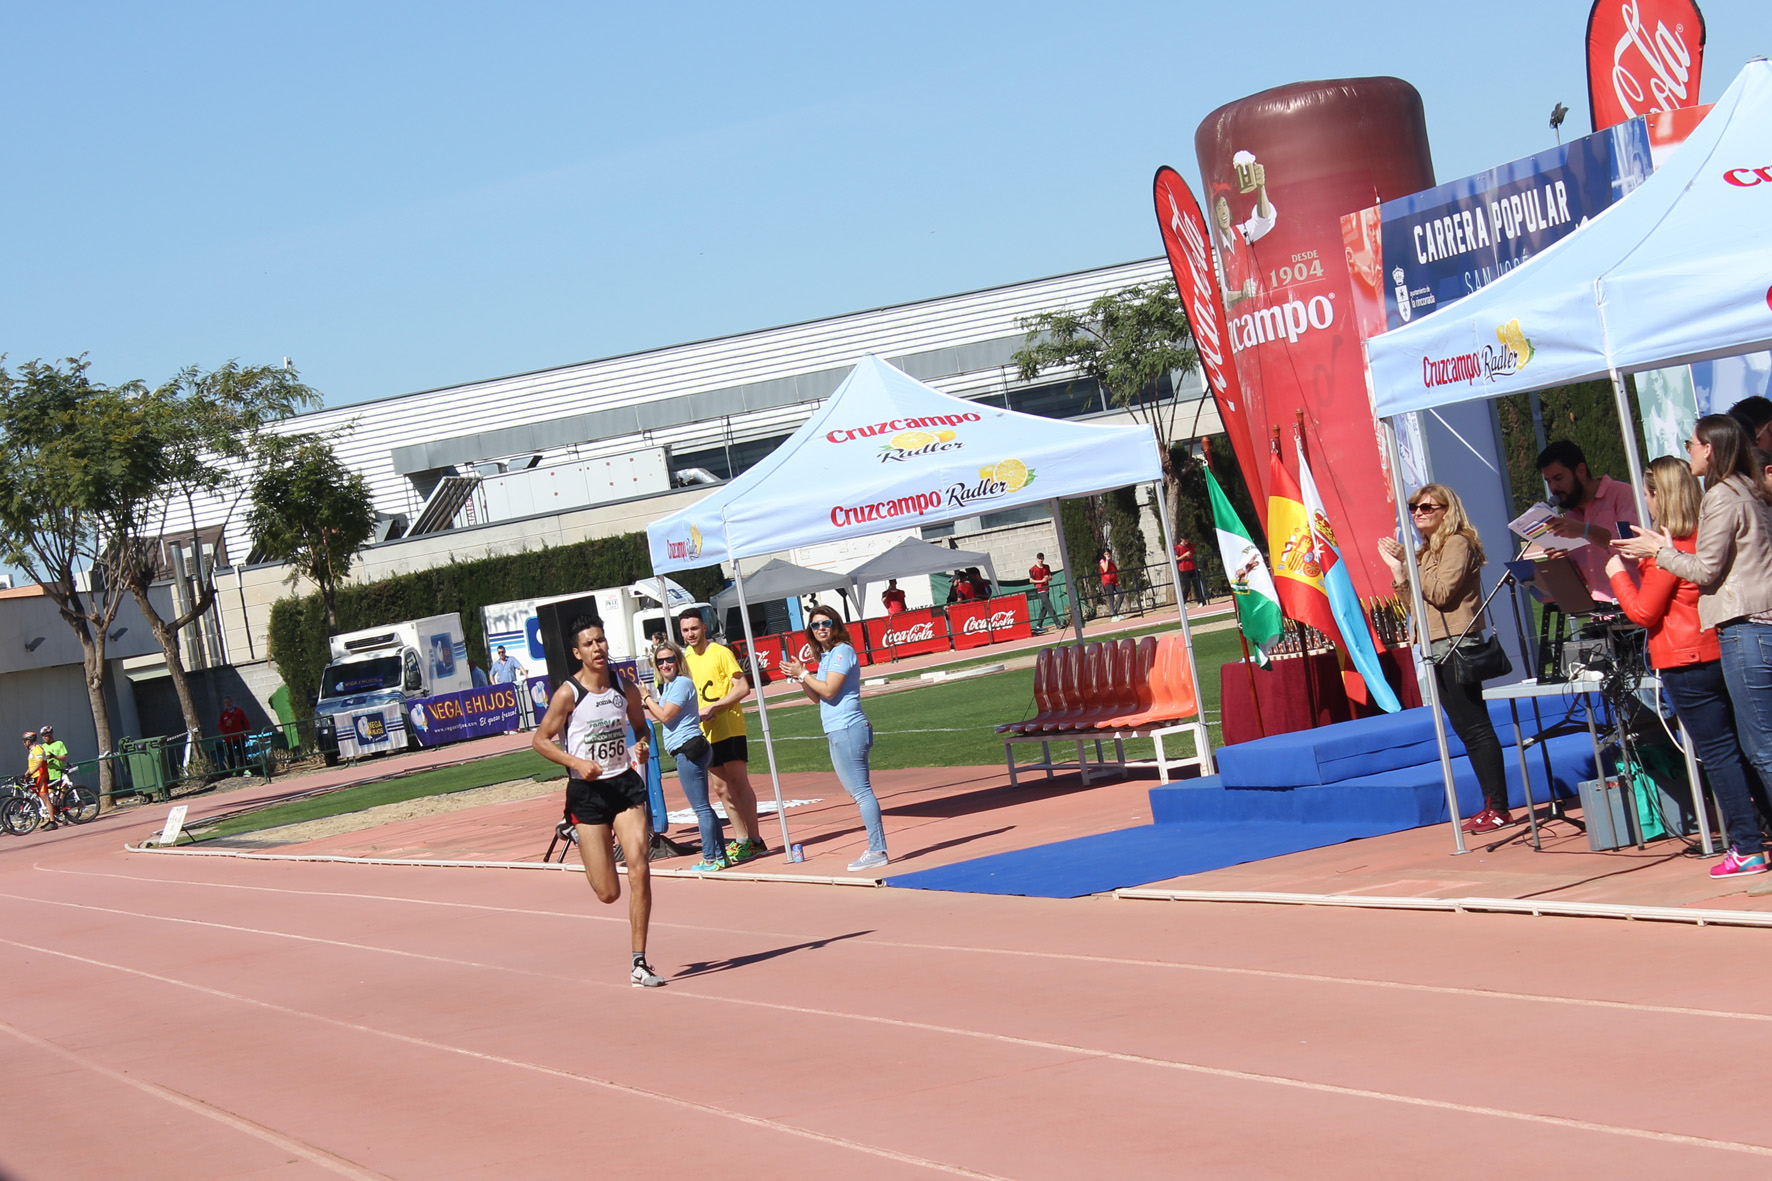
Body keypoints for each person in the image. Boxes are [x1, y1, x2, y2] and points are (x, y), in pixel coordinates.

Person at [1615, 415, 1772, 878]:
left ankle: (1746, 844)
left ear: (1711, 448)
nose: (1689, 450)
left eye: (1692, 443)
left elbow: (1692, 578)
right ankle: (1749, 841)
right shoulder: (1752, 491)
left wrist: (1640, 563)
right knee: (1750, 746)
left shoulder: (1722, 497)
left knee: (1747, 750)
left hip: (1722, 638)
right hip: (1733, 635)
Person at [532, 616, 664, 987]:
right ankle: (576, 831)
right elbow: (540, 740)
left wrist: (641, 744)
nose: (598, 648)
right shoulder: (568, 694)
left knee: (639, 869)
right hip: (586, 793)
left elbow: (641, 727)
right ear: (578, 652)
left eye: (601, 641)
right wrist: (576, 762)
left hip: (623, 785)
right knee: (608, 893)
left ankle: (639, 961)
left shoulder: (625, 687)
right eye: (589, 644)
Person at [1378, 484, 1514, 834]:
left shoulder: (1458, 543)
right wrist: (1399, 570)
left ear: (1446, 510)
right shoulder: (1424, 551)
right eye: (1414, 507)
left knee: (1477, 727)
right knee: (1466, 729)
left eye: (1427, 507)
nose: (1418, 513)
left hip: (1458, 645)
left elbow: (1440, 592)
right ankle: (1490, 803)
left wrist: (1410, 561)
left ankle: (1499, 806)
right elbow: (1416, 605)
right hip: (1435, 646)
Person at [783, 605, 888, 872]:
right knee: (858, 791)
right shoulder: (828, 655)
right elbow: (817, 697)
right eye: (815, 625)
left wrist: (804, 674)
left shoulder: (842, 651)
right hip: (838, 729)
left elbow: (829, 690)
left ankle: (877, 849)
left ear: (835, 624)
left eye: (825, 623)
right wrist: (801, 678)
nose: (820, 629)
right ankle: (876, 848)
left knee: (862, 791)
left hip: (848, 728)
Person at [677, 609, 767, 863]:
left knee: (738, 782)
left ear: (704, 627)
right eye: (685, 630)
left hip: (730, 727)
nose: (690, 634)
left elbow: (742, 687)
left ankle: (756, 840)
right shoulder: (685, 659)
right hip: (704, 732)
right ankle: (741, 840)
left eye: (694, 628)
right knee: (721, 788)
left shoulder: (721, 652)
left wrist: (716, 707)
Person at [639, 640, 725, 873]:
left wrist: (646, 699)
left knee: (701, 808)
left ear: (678, 660)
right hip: (690, 747)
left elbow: (665, 717)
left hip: (689, 749)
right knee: (704, 806)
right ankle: (719, 855)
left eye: (669, 659)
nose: (665, 664)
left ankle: (710, 858)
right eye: (660, 661)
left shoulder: (681, 684)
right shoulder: (669, 686)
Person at [1535, 440, 1637, 601]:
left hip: (1635, 609)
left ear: (1581, 471)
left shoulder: (1622, 495)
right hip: (1599, 616)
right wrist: (1562, 563)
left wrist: (1586, 531)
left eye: (1558, 478)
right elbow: (1584, 577)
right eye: (1548, 481)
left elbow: (1633, 546)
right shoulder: (1570, 517)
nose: (1553, 488)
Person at [22, 731, 54, 831]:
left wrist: (30, 773)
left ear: (29, 741)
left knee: (45, 798)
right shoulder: (31, 751)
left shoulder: (38, 749)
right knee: (41, 797)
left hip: (41, 775)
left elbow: (40, 763)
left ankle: (53, 822)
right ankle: (49, 818)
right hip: (36, 776)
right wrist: (25, 774)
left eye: (24, 741)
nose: (23, 743)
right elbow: (32, 766)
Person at [1027, 553, 1059, 632]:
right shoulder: (1032, 569)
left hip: (1046, 588)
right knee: (1049, 605)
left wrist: (1047, 578)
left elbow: (1050, 577)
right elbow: (1031, 580)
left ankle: (1039, 625)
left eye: (1042, 559)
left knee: (1044, 608)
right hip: (1040, 589)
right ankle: (1057, 622)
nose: (1041, 560)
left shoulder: (1046, 567)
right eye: (1039, 559)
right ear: (1037, 559)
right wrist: (1040, 581)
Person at [217, 696, 250, 771]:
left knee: (242, 754)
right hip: (229, 739)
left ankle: (246, 770)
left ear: (232, 702)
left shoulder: (239, 711)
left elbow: (245, 723)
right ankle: (233, 771)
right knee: (231, 755)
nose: (228, 704)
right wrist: (226, 725)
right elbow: (220, 727)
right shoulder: (223, 715)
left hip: (239, 737)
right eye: (226, 702)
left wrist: (247, 734)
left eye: (229, 702)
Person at [1174, 538, 1204, 606]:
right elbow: (1177, 558)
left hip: (1192, 567)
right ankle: (1183, 603)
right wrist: (1185, 555)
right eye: (1185, 540)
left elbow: (1193, 554)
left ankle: (1200, 602)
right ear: (1181, 539)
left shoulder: (1190, 546)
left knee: (1197, 585)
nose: (1186, 542)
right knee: (1187, 587)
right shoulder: (1177, 548)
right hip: (1184, 569)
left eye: (1187, 540)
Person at [1098, 549, 1123, 619]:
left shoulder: (1112, 563)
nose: (1107, 555)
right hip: (1107, 581)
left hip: (1114, 581)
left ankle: (1116, 611)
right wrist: (1107, 560)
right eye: (1105, 554)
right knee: (1111, 597)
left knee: (1121, 595)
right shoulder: (1102, 561)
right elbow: (1105, 569)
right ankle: (1113, 615)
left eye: (1108, 554)